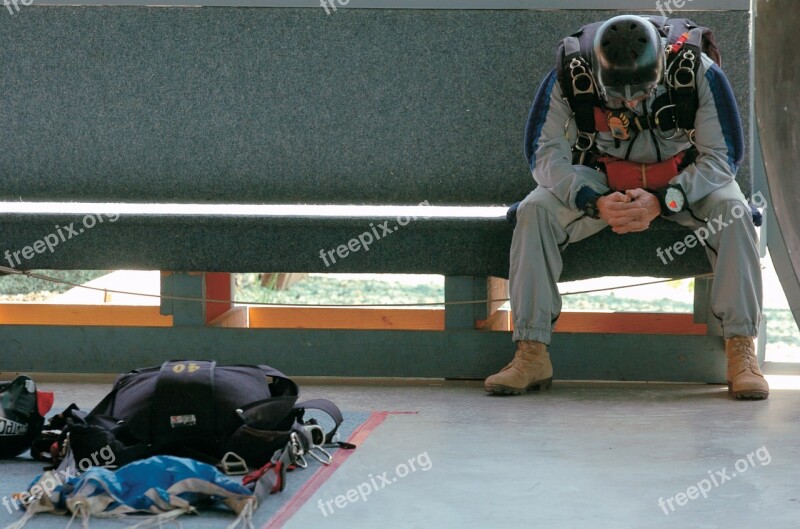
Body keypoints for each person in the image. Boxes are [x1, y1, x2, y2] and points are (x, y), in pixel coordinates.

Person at [484, 14, 768, 400]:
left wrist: (667, 200)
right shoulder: (570, 74)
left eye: (642, 90)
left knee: (734, 212)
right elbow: (543, 156)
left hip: (682, 179)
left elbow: (723, 158)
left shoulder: (698, 70)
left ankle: (740, 350)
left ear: (661, 66)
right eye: (618, 94)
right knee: (534, 212)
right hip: (599, 180)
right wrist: (591, 201)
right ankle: (531, 352)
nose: (631, 100)